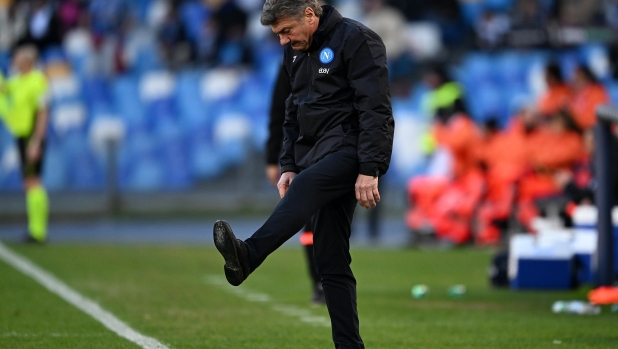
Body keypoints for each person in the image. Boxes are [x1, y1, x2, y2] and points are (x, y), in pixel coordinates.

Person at [212, 1, 394, 348]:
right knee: (330, 258)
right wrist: (289, 164)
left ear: (309, 15)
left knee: (309, 189)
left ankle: (249, 254)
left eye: (286, 31)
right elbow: (291, 111)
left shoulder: (358, 40)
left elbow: (376, 109)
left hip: (350, 149)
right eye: (277, 34)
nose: (282, 40)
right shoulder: (295, 51)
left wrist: (370, 169)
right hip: (313, 155)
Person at [265, 64, 324, 305]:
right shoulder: (292, 62)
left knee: (334, 222)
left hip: (337, 152)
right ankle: (319, 281)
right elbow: (279, 110)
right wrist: (272, 158)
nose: (284, 40)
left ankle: (332, 279)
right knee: (310, 224)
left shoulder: (336, 55)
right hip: (303, 155)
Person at [0, 45, 50, 243]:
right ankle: (35, 229)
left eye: (19, 58)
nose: (15, 61)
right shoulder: (17, 81)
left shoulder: (38, 81)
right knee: (28, 181)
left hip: (31, 136)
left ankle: (38, 231)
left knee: (33, 180)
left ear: (28, 61)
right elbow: (3, 88)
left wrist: (37, 141)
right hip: (21, 135)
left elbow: (43, 112)